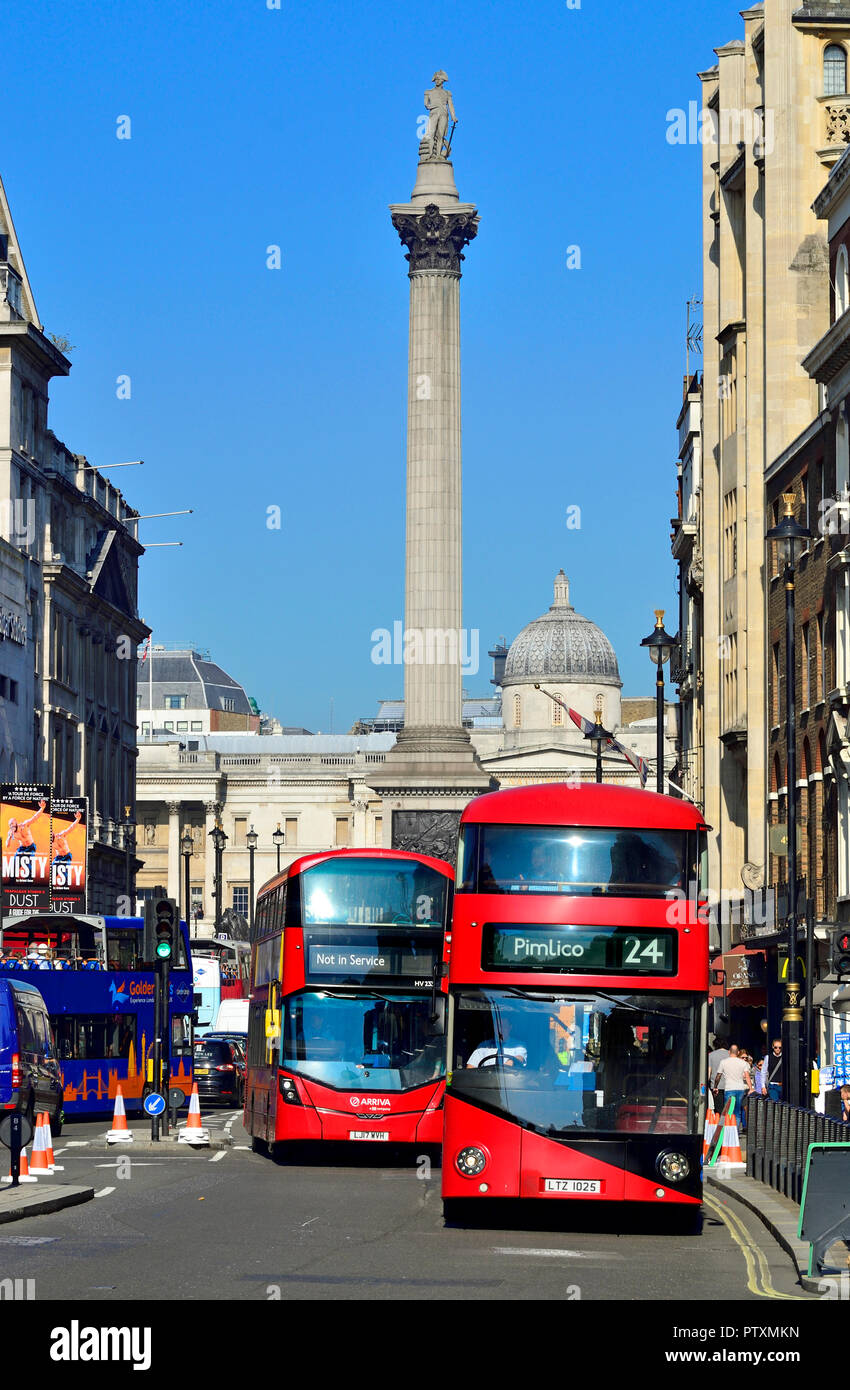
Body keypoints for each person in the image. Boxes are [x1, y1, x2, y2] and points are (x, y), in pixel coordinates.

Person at [713, 1044, 752, 1131]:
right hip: (740, 1089)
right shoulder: (743, 1063)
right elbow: (747, 1076)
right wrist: (750, 1088)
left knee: (728, 1111)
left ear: (729, 1052)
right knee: (737, 1112)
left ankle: (728, 1131)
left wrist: (715, 1087)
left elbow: (718, 1076)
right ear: (738, 1052)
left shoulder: (724, 1062)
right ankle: (735, 1132)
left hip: (729, 1089)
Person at [708, 1035, 730, 1110]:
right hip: (730, 1086)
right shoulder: (730, 1055)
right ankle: (729, 1120)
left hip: (716, 1087)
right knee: (730, 1108)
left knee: (719, 1109)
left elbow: (709, 1071)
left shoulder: (711, 1055)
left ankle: (720, 1121)